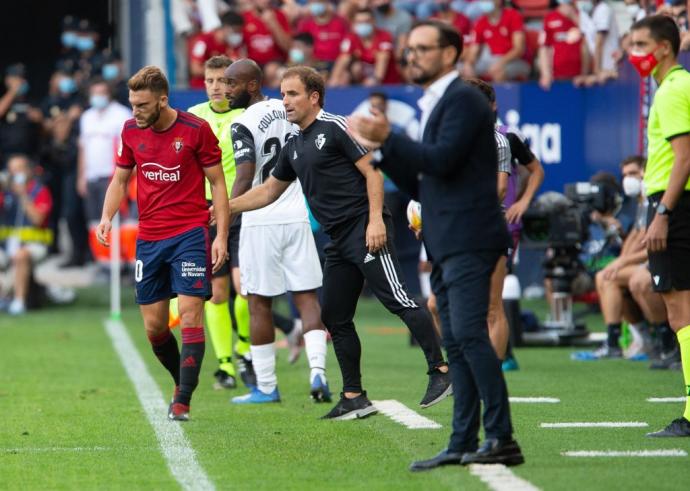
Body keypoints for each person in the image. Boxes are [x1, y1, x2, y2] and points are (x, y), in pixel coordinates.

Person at [225, 65, 451, 419]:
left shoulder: (335, 126)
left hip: (364, 229)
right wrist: (224, 208)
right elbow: (269, 190)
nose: (285, 101)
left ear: (314, 97)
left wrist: (376, 220)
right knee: (334, 315)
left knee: (399, 300)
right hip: (337, 239)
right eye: (282, 93)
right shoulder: (294, 143)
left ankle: (441, 371)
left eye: (293, 94)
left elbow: (374, 173)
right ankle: (353, 395)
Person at [349, 20, 523, 468]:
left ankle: (501, 436)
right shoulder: (439, 101)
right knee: (460, 342)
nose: (413, 57)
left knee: (467, 334)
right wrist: (381, 153)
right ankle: (463, 440)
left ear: (450, 54)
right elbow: (423, 181)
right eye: (410, 49)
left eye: (424, 49)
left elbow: (442, 161)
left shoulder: (463, 99)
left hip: (470, 235)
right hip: (446, 237)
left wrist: (391, 138)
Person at [96, 66, 230, 422]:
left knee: (190, 315)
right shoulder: (129, 131)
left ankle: (183, 400)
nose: (135, 111)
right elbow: (120, 180)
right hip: (150, 239)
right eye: (132, 104)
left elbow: (217, 184)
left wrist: (221, 235)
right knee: (155, 328)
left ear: (162, 100)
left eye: (142, 104)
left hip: (189, 233)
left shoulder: (195, 131)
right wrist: (107, 216)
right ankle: (179, 381)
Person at [224, 59, 331, 405]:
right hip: (297, 215)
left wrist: (225, 214)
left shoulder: (242, 123)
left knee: (258, 304)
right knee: (307, 298)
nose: (226, 91)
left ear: (252, 85)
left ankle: (267, 386)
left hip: (259, 219)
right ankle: (319, 372)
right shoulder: (288, 108)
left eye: (231, 84)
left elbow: (244, 174)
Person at [628, 15, 690, 437]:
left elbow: (683, 158)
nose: (634, 53)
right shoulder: (678, 86)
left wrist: (663, 213)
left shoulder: (671, 90)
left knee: (680, 311)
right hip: (677, 203)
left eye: (640, 44)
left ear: (664, 47)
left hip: (675, 206)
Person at [186, 55, 248, 390]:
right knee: (218, 293)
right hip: (208, 212)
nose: (216, 87)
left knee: (245, 287)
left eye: (223, 81)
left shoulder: (249, 113)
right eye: (210, 81)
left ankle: (246, 348)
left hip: (244, 209)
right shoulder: (194, 117)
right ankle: (226, 365)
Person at [77, 79, 130, 262]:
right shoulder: (86, 117)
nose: (98, 97)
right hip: (91, 177)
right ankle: (104, 263)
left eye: (102, 92)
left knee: (116, 222)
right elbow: (83, 148)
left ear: (109, 94)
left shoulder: (122, 114)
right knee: (94, 222)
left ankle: (121, 264)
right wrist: (81, 176)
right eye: (95, 93)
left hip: (113, 177)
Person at [0, 154, 53, 315]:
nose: (15, 173)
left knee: (21, 255)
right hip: (7, 244)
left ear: (28, 171)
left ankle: (19, 301)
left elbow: (37, 219)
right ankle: (4, 296)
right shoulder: (6, 192)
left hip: (34, 244)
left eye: (19, 169)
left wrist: (23, 195)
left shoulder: (40, 191)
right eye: (12, 170)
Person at [330, 8, 401, 86]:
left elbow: (383, 58)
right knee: (351, 70)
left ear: (373, 21)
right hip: (363, 84)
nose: (363, 25)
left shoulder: (385, 36)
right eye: (359, 22)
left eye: (367, 21)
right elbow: (343, 59)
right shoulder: (351, 37)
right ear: (354, 24)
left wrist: (376, 79)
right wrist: (334, 80)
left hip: (387, 84)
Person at [462, 0, 530, 82]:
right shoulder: (480, 22)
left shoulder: (513, 15)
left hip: (516, 61)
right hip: (490, 60)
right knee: (465, 71)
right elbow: (473, 51)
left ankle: (500, 95)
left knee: (498, 72)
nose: (484, 2)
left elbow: (519, 49)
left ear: (498, 1)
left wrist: (500, 63)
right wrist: (468, 64)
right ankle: (475, 94)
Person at [538, 0, 589, 90]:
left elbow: (590, 39)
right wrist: (546, 74)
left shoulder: (582, 15)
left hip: (580, 78)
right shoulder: (550, 17)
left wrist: (573, 17)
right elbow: (544, 48)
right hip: (556, 77)